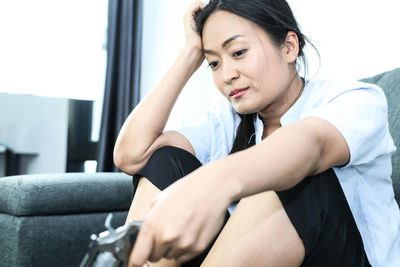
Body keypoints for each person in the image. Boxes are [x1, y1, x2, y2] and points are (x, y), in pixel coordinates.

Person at [113, 0, 400, 266]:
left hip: (346, 257)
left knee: (290, 170)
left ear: (289, 47)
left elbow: (310, 146)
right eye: (214, 63)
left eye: (238, 53)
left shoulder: (356, 100)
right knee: (165, 158)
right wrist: (189, 53)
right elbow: (132, 155)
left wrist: (210, 184)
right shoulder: (227, 120)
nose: (227, 75)